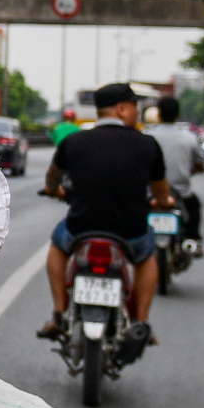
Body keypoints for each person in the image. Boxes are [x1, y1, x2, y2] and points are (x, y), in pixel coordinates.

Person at [36, 82, 172, 342]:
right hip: (130, 232)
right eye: (135, 107)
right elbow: (161, 192)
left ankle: (59, 313)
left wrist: (53, 190)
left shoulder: (74, 141)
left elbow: (52, 178)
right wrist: (163, 202)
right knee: (146, 258)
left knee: (57, 246)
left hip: (82, 228)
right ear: (122, 109)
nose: (138, 113)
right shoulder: (147, 145)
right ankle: (141, 322)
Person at [144, 96, 204, 256]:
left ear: (158, 114)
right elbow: (200, 164)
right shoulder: (189, 138)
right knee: (194, 207)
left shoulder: (146, 137)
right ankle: (192, 240)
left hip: (151, 192)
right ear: (178, 114)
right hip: (180, 192)